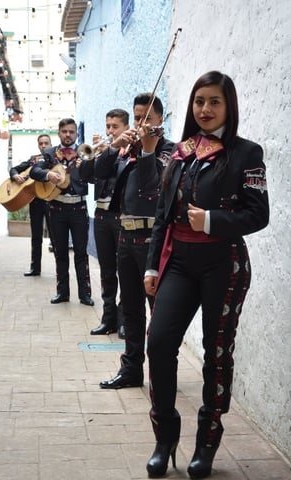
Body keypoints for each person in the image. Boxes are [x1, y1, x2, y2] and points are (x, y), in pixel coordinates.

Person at [143, 71, 269, 479]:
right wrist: (151, 264)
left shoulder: (248, 153)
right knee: (159, 344)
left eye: (214, 102)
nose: (205, 110)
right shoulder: (177, 153)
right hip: (177, 261)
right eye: (199, 101)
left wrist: (212, 221)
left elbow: (258, 214)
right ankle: (165, 438)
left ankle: (206, 444)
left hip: (224, 264)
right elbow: (162, 215)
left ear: (228, 106)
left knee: (216, 356)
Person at [97, 93, 174, 389]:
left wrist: (146, 152)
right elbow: (98, 173)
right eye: (137, 117)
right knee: (129, 309)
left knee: (159, 310)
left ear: (159, 120)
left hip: (153, 240)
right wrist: (115, 146)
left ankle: (162, 371)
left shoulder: (168, 151)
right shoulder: (126, 150)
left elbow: (151, 184)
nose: (141, 124)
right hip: (124, 237)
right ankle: (131, 370)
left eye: (147, 118)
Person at [30, 118, 95, 306]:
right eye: (64, 131)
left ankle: (85, 294)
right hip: (56, 208)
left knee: (81, 253)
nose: (68, 135)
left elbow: (92, 179)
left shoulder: (84, 153)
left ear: (76, 134)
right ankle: (62, 293)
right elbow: (35, 170)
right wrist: (47, 174)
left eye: (71, 132)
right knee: (60, 252)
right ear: (59, 133)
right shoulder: (49, 153)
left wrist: (88, 164)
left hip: (79, 208)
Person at [79, 109, 130, 339]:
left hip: (121, 217)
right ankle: (107, 319)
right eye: (108, 126)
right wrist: (93, 153)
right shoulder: (102, 153)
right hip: (100, 216)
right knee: (107, 272)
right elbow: (85, 176)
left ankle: (125, 321)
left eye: (115, 126)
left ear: (126, 128)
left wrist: (112, 150)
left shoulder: (129, 152)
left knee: (125, 272)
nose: (110, 131)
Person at [9, 134, 54, 276]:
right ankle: (35, 268)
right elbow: (14, 169)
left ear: (51, 144)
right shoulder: (33, 160)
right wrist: (15, 176)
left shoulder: (56, 158)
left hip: (51, 202)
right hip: (35, 202)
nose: (43, 146)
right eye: (41, 143)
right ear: (38, 145)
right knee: (36, 236)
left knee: (55, 237)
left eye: (46, 143)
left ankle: (60, 270)